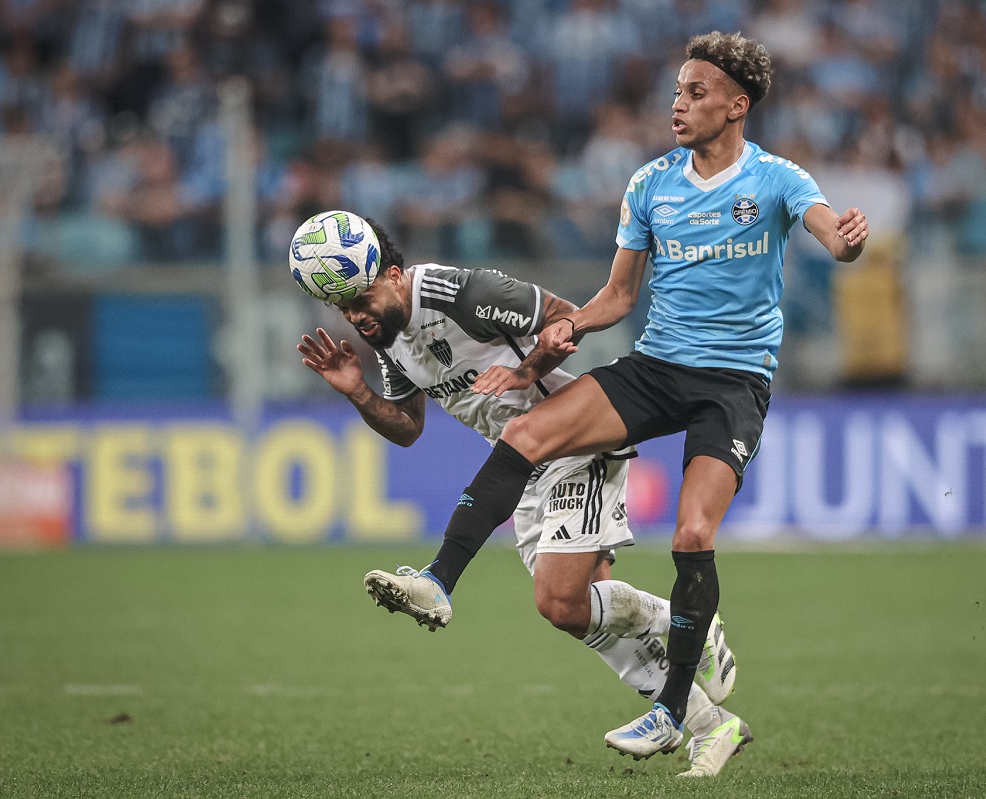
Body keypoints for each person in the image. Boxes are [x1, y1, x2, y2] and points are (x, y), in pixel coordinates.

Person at [365, 30, 869, 764]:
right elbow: (617, 296)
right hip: (658, 367)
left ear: (737, 105)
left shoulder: (777, 180)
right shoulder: (650, 184)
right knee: (526, 434)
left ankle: (673, 711)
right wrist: (560, 334)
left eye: (696, 93)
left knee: (692, 535)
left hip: (733, 383)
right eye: (677, 91)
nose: (678, 104)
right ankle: (439, 582)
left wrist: (848, 241)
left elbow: (834, 236)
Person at [299, 216, 750, 777]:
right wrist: (358, 391)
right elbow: (408, 427)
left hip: (573, 441)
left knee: (558, 599)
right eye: (342, 307)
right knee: (573, 611)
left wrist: (528, 370)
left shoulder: (462, 293)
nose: (355, 316)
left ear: (393, 275)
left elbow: (565, 316)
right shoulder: (388, 338)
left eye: (360, 299)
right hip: (520, 469)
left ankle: (687, 625)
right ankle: (709, 716)